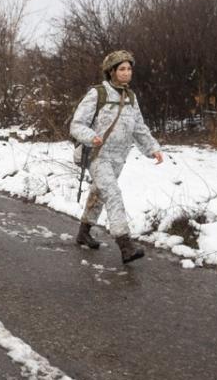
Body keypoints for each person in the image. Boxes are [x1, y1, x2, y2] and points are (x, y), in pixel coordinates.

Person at [70, 50, 163, 264]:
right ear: (111, 71)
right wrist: (91, 137)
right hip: (97, 155)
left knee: (99, 193)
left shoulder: (131, 97)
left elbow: (138, 127)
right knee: (112, 193)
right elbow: (76, 124)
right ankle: (125, 245)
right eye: (122, 69)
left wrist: (152, 148)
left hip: (119, 157)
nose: (126, 73)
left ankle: (83, 233)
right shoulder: (98, 93)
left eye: (129, 69)